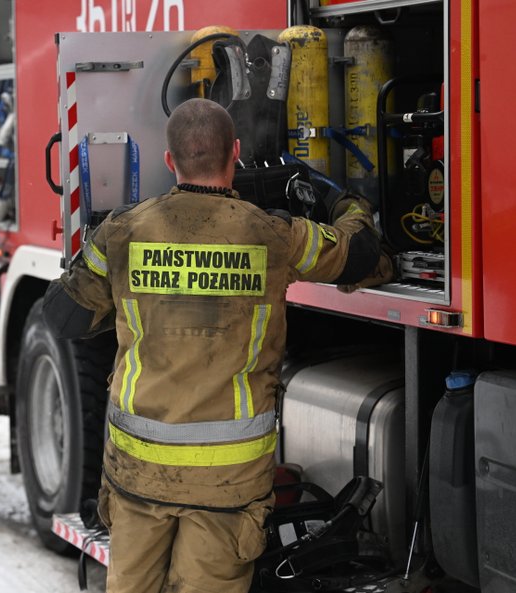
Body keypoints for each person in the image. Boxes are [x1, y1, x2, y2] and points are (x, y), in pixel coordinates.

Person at [41, 98, 392, 593]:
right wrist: (343, 200)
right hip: (227, 484)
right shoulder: (271, 235)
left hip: (139, 475)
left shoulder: (122, 231)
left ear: (169, 160)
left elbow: (63, 317)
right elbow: (357, 254)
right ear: (237, 153)